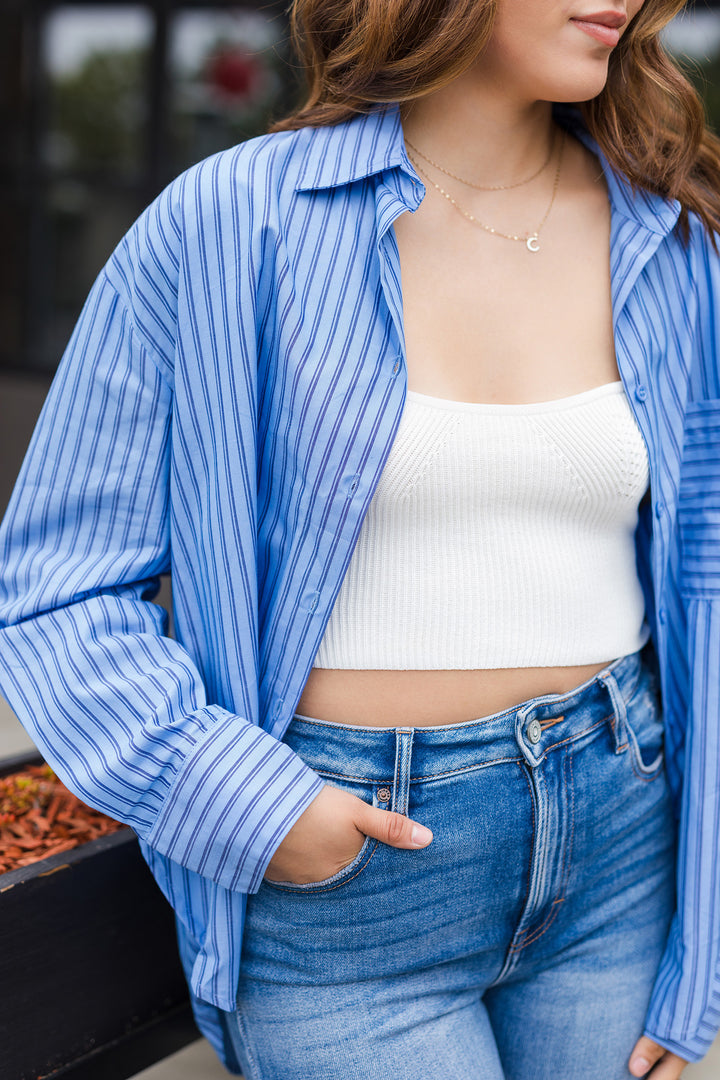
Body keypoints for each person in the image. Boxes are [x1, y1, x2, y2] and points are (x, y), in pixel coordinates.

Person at [1, 0, 719, 1076]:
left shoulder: (674, 237)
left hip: (621, 837)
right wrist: (247, 803)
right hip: (348, 885)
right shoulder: (229, 223)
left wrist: (701, 932)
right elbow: (56, 589)